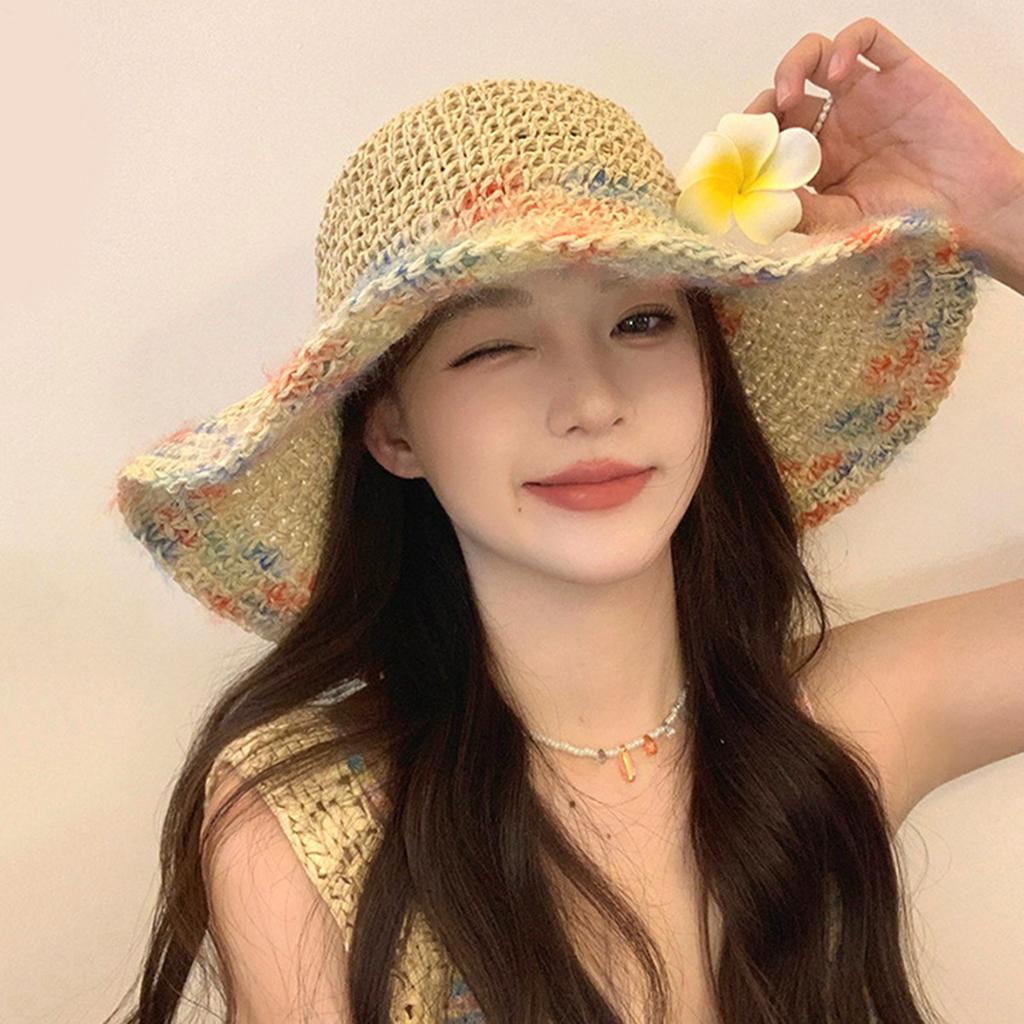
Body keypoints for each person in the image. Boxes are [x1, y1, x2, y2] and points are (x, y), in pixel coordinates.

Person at [104, 17, 1024, 1024]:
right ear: (394, 431)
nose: (590, 401)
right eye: (494, 346)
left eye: (641, 321)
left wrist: (1001, 207)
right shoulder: (307, 820)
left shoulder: (839, 720)